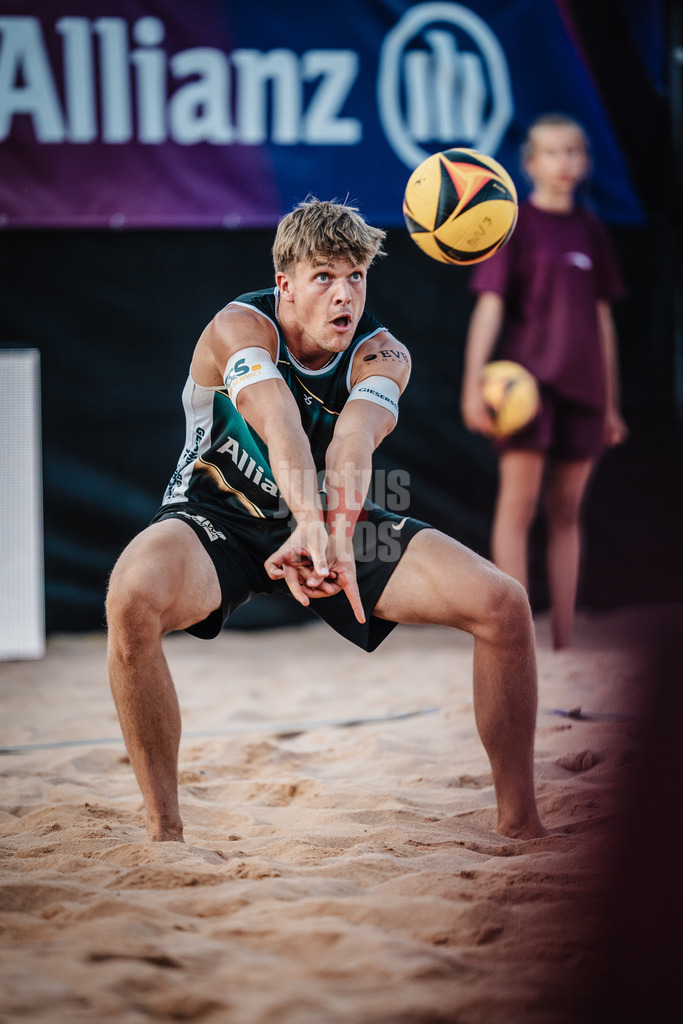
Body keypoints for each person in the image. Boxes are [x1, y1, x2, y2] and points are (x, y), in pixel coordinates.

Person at [106, 198, 546, 843]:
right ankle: (165, 831)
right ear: (285, 283)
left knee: (503, 605)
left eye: (356, 277)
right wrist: (309, 524)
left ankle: (521, 822)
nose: (345, 295)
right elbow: (276, 420)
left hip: (332, 514)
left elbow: (353, 445)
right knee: (131, 599)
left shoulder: (383, 355)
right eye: (325, 277)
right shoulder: (237, 327)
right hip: (217, 511)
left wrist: (331, 534)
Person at [461, 114, 628, 650]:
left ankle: (565, 639)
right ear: (529, 163)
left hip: (586, 391)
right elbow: (489, 308)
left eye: (575, 151)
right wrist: (472, 385)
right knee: (518, 509)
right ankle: (518, 636)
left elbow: (602, 319)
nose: (565, 162)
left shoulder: (590, 229)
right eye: (553, 152)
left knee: (566, 514)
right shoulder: (514, 225)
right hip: (524, 392)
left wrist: (612, 404)